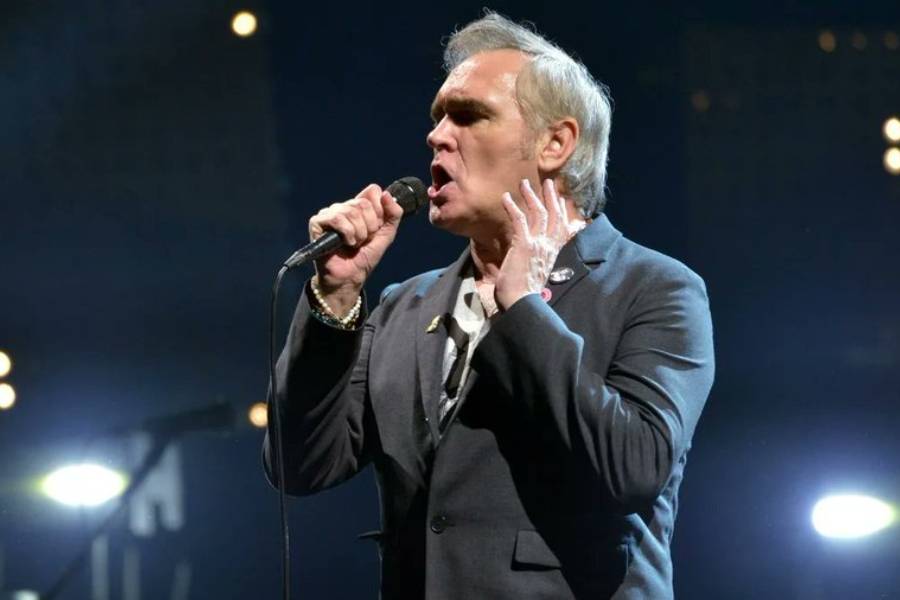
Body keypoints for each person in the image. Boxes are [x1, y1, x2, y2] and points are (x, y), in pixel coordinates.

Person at [264, 12, 714, 600]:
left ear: (555, 143)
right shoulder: (405, 306)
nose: (437, 136)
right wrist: (337, 298)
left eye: (469, 115)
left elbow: (632, 467)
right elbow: (301, 466)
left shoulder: (653, 287)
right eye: (437, 118)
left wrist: (521, 306)